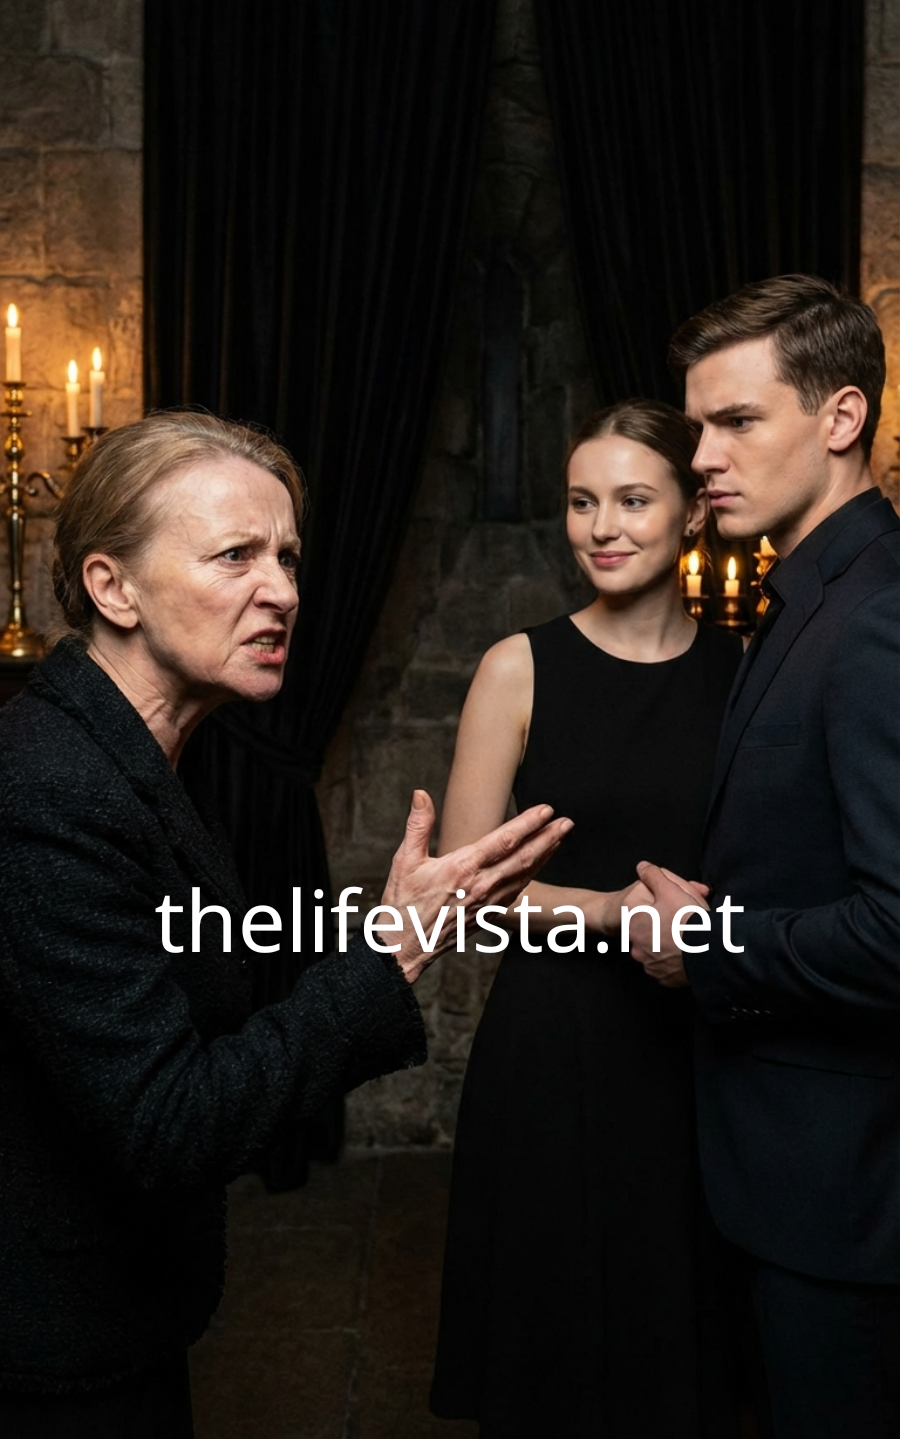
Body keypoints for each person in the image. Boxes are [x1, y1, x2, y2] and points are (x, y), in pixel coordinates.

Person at [0, 411, 571, 1438]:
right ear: (112, 587)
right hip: (52, 1359)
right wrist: (391, 950)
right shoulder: (50, 787)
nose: (285, 592)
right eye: (236, 556)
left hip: (114, 1322)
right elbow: (170, 1122)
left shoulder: (132, 761)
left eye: (289, 558)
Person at [430, 400, 745, 1438]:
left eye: (632, 500)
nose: (601, 527)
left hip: (698, 1055)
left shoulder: (745, 676)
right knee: (552, 1359)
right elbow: (462, 890)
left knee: (682, 1354)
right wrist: (609, 910)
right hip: (552, 1053)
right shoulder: (517, 668)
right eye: (581, 501)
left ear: (693, 512)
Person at [625, 277, 900, 1438]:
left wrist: (703, 944)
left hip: (850, 1198)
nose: (704, 457)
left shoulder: (877, 614)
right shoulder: (801, 599)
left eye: (737, 421)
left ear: (842, 417)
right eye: (698, 427)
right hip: (787, 1175)